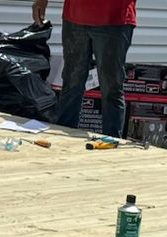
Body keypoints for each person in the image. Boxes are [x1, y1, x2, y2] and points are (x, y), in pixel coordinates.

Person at [34, 0, 135, 139]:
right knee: (71, 82)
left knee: (111, 87)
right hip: (75, 17)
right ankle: (63, 139)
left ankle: (111, 142)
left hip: (114, 18)